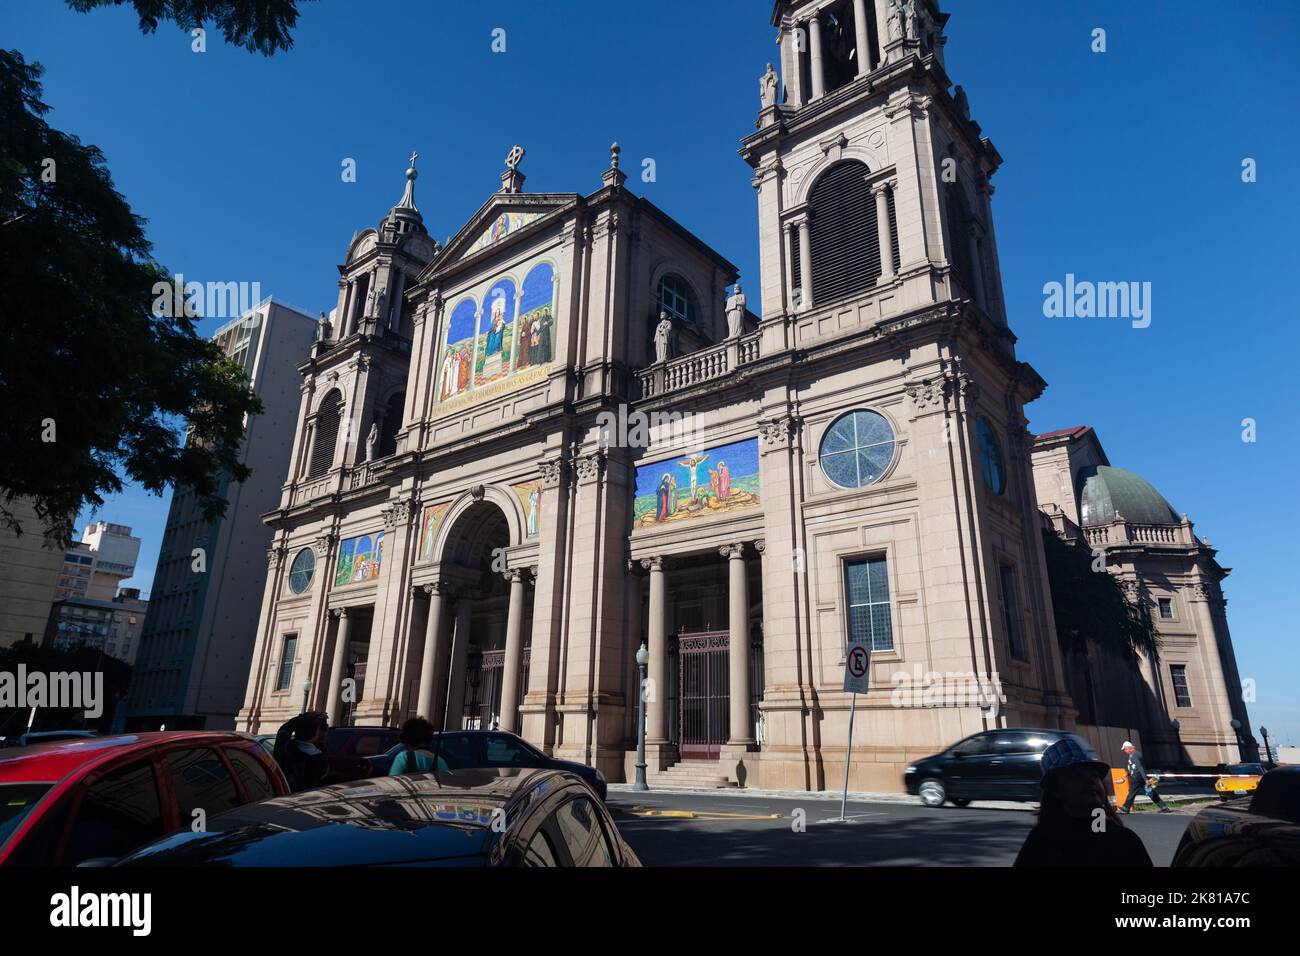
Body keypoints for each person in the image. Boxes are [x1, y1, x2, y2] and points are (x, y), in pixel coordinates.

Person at [1015, 737, 1154, 867]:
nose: (1090, 781)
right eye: (1076, 776)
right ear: (1056, 789)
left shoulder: (1123, 840)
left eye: (1094, 775)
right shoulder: (1042, 843)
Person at [272, 712, 330, 793]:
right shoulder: (321, 758)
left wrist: (302, 718)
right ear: (317, 732)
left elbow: (284, 730)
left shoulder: (286, 750)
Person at [1120, 740, 1172, 813]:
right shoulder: (1137, 754)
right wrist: (1128, 773)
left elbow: (1139, 767)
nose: (1125, 751)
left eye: (1125, 749)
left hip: (1137, 777)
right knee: (1150, 792)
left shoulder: (1134, 755)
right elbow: (1135, 767)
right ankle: (1163, 807)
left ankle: (1125, 808)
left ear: (1129, 748)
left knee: (1132, 792)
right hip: (1140, 776)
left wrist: (1145, 779)